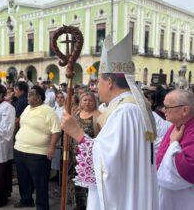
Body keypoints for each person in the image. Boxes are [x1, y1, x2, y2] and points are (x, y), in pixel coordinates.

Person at [61, 33, 158, 209]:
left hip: (122, 196)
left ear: (110, 82)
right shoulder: (129, 106)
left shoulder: (125, 112)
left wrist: (76, 132)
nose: (96, 87)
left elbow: (107, 162)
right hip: (129, 189)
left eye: (99, 81)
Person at [13, 85, 61, 209]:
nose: (28, 97)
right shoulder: (27, 108)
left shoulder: (48, 111)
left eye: (31, 94)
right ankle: (26, 199)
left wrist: (51, 148)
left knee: (40, 183)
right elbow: (23, 124)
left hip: (38, 153)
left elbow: (56, 131)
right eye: (28, 94)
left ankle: (42, 206)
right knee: (23, 179)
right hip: (20, 149)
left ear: (39, 98)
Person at [156, 89, 194, 210]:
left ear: (185, 110)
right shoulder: (176, 126)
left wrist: (173, 143)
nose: (163, 110)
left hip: (185, 199)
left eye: (167, 107)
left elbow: (188, 169)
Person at [68, 92, 101, 210]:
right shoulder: (77, 113)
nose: (87, 102)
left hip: (88, 156)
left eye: (90, 100)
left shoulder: (99, 116)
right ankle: (77, 205)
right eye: (85, 100)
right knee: (74, 180)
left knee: (87, 184)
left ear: (95, 102)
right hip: (74, 155)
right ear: (81, 102)